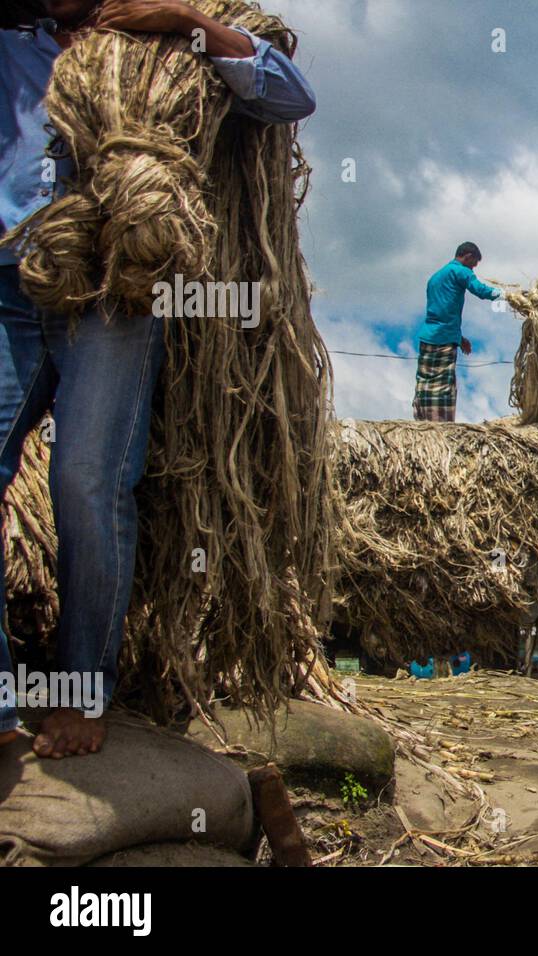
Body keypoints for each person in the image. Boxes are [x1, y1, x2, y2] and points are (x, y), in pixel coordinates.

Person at [0, 0, 316, 758]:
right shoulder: (13, 42)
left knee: (87, 483)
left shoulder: (169, 37)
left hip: (120, 281)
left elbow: (286, 94)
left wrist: (184, 23)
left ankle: (82, 694)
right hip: (8, 276)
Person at [414, 242, 504, 422]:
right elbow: (480, 290)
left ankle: (422, 419)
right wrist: (504, 295)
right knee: (442, 387)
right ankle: (440, 424)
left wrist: (460, 338)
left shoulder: (435, 278)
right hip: (444, 340)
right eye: (474, 263)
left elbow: (441, 311)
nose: (474, 267)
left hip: (428, 336)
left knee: (425, 383)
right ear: (468, 256)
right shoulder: (460, 271)